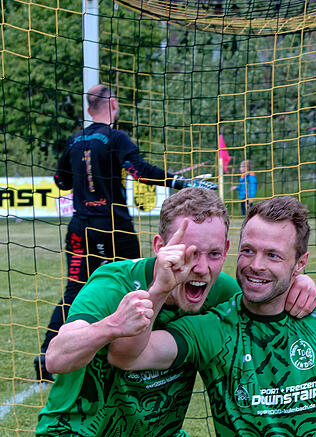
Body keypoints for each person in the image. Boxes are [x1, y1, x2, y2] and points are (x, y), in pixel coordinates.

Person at [36, 188, 316, 437]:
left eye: (214, 254)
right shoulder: (113, 284)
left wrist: (298, 279)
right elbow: (56, 359)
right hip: (76, 436)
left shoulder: (222, 292)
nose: (201, 268)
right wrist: (112, 325)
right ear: (160, 246)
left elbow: (267, 300)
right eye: (190, 253)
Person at [108, 196, 316, 437]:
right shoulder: (212, 328)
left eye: (273, 255)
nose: (255, 265)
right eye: (248, 250)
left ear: (300, 263)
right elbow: (128, 356)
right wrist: (159, 288)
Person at [36, 84, 217, 381]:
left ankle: (46, 359)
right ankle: (141, 351)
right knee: (140, 282)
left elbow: (60, 181)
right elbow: (138, 171)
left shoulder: (74, 141)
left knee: (74, 289)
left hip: (81, 228)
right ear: (113, 104)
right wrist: (180, 183)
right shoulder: (115, 137)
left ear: (88, 108)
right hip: (113, 226)